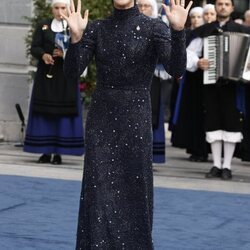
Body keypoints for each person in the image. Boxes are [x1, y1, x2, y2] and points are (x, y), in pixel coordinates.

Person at [61, 0, 192, 248]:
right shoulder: (96, 28)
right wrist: (76, 38)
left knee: (134, 189)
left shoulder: (154, 28)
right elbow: (72, 72)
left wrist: (177, 31)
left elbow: (176, 68)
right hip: (102, 118)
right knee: (98, 189)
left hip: (136, 117)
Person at [187, 0, 250, 180]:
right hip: (211, 84)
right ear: (216, 7)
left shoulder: (243, 31)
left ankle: (227, 166)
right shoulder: (205, 31)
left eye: (226, 4)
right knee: (212, 122)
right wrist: (198, 62)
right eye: (220, 3)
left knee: (231, 123)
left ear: (232, 8)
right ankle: (216, 164)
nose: (222, 7)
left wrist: (247, 66)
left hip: (234, 86)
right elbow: (190, 52)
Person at [23, 0, 84, 164]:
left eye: (62, 8)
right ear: (52, 9)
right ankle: (45, 152)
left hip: (65, 78)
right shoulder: (43, 25)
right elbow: (34, 47)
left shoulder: (74, 28)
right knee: (45, 113)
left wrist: (65, 54)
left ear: (68, 8)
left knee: (62, 114)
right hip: (46, 76)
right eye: (56, 8)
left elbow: (82, 51)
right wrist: (43, 55)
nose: (59, 11)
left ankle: (59, 153)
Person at [171, 6, 207, 162]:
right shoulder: (188, 34)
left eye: (200, 17)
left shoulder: (208, 32)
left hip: (204, 80)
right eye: (194, 17)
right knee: (191, 113)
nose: (196, 20)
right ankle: (193, 147)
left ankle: (202, 149)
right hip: (190, 79)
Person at [138, 0, 170, 164]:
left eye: (147, 6)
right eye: (140, 6)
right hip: (133, 79)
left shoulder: (159, 26)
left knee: (153, 115)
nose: (143, 9)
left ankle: (150, 156)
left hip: (154, 78)